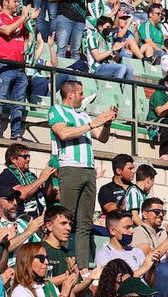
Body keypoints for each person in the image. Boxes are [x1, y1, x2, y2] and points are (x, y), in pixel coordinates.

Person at [49, 79, 117, 264]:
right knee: (66, 219)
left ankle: (82, 264)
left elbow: (101, 138)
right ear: (70, 94)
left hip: (88, 170)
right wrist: (94, 123)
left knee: (85, 223)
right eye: (80, 93)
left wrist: (107, 124)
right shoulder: (56, 110)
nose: (83, 97)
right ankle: (62, 260)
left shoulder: (84, 116)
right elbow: (63, 133)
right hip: (70, 168)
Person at [0, 0, 34, 140]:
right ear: (5, 2)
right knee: (0, 98)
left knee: (18, 102)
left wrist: (29, 21)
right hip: (4, 63)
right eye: (14, 1)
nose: (17, 4)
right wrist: (23, 17)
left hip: (20, 66)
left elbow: (27, 42)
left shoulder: (18, 20)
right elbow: (7, 31)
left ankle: (16, 133)